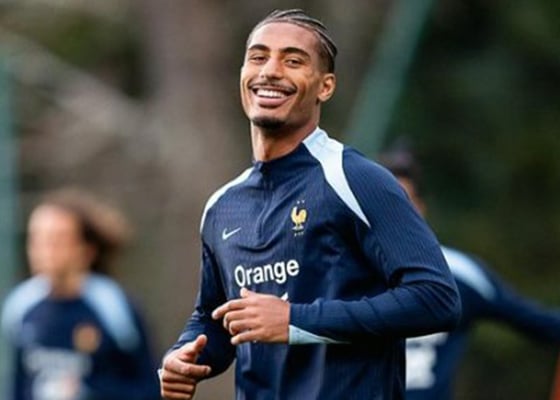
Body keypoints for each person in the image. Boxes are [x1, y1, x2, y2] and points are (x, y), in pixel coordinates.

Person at [158, 9, 461, 400]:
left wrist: (294, 320)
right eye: (258, 57)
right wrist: (184, 355)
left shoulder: (355, 179)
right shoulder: (222, 206)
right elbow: (213, 319)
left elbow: (436, 298)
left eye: (293, 61)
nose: (270, 71)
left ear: (325, 87)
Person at [377, 148, 560, 400]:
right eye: (382, 203)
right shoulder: (339, 273)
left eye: (403, 202)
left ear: (421, 207)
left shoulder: (460, 275)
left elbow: (542, 323)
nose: (393, 214)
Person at [0, 188, 161, 400]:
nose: (44, 251)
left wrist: (90, 390)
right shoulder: (21, 306)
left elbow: (150, 388)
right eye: (36, 240)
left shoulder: (113, 306)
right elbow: (17, 385)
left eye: (57, 240)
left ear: (86, 250)